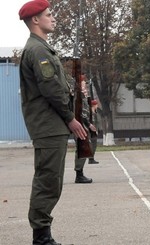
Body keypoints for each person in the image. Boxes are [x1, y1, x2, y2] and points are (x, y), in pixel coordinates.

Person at [19, 0, 87, 243]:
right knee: (48, 180)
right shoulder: (38, 50)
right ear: (35, 20)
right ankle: (41, 237)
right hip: (48, 124)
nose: (54, 18)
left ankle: (43, 234)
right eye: (49, 14)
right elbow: (51, 89)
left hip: (51, 124)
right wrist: (70, 118)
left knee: (51, 180)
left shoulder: (42, 48)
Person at [74, 79, 95, 184]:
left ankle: (80, 172)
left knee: (85, 148)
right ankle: (79, 174)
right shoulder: (77, 99)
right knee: (82, 148)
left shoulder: (84, 98)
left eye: (86, 87)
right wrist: (88, 124)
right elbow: (80, 114)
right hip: (79, 126)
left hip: (83, 126)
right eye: (83, 87)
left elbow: (86, 113)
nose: (85, 89)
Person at [88, 99, 100, 164]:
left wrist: (97, 130)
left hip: (94, 130)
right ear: (94, 105)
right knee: (92, 145)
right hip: (90, 131)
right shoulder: (90, 113)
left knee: (94, 145)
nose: (97, 106)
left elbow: (96, 123)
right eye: (96, 105)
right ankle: (91, 158)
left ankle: (91, 158)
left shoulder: (95, 112)